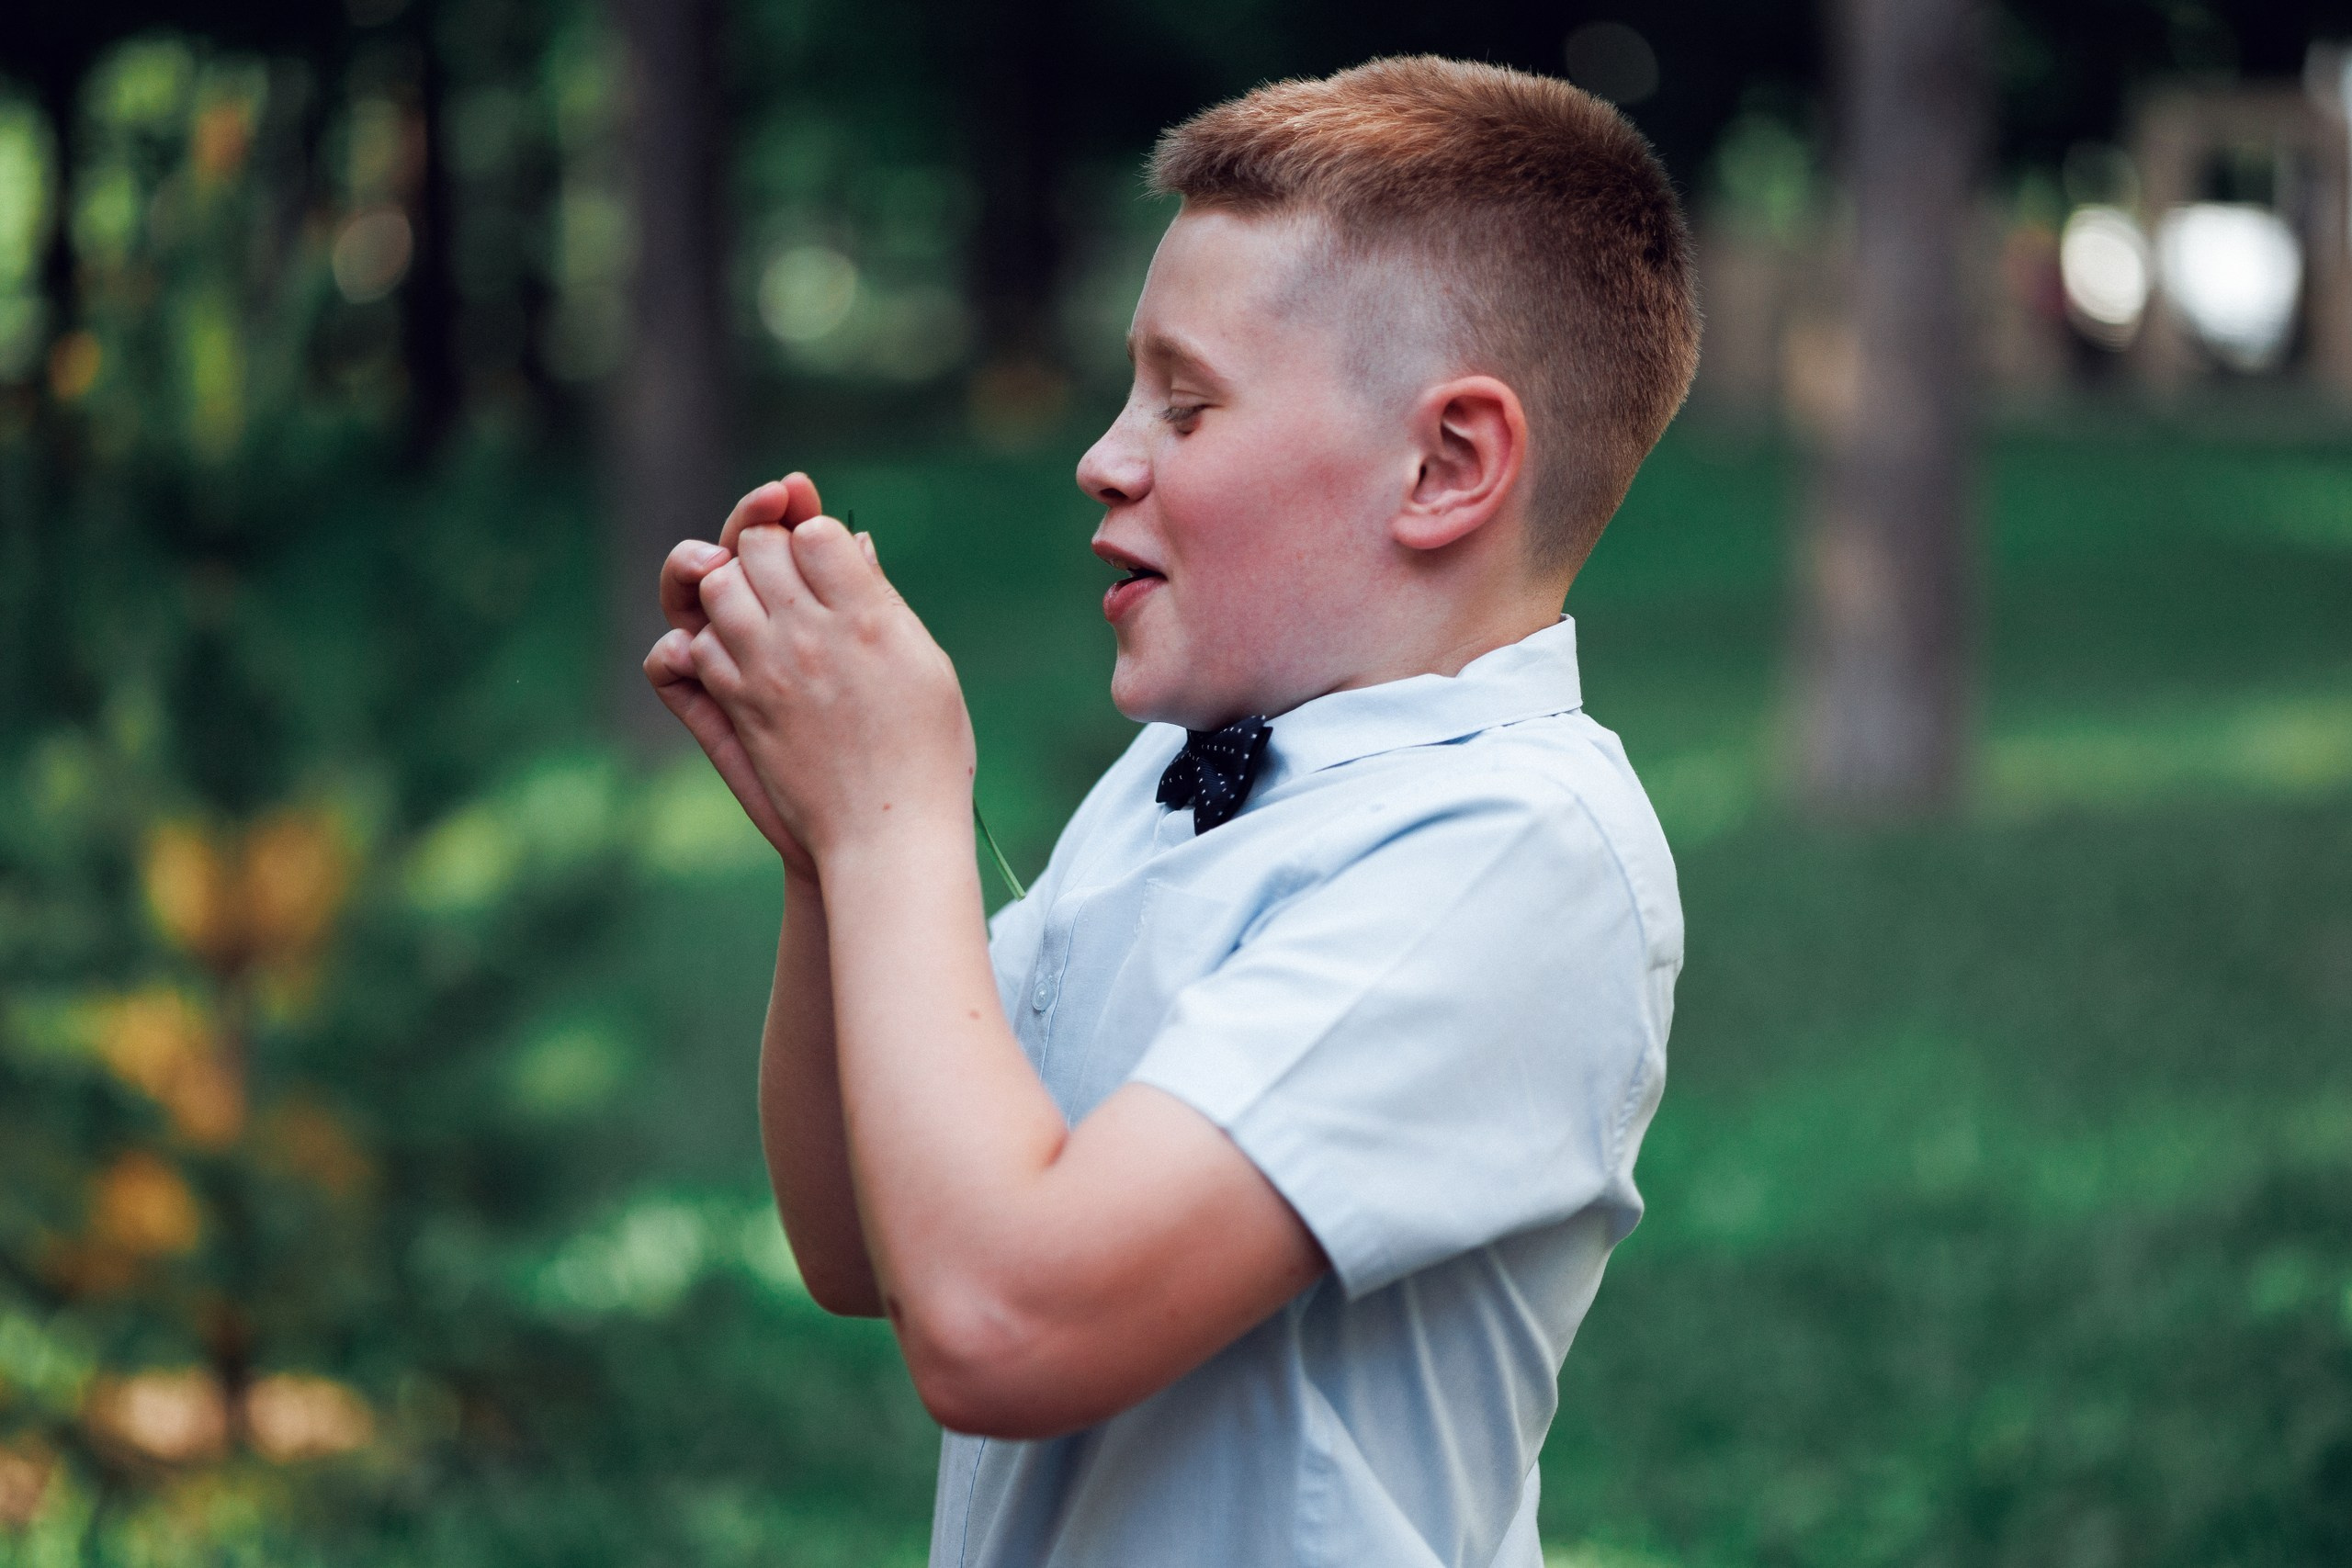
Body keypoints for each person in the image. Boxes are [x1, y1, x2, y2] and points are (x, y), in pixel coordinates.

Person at [644, 54, 1698, 1568]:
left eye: (1187, 405)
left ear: (1447, 464)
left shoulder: (1510, 850)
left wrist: (898, 822)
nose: (1104, 454)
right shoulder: (1190, 773)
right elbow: (862, 1241)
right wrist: (828, 857)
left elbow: (1005, 1325)